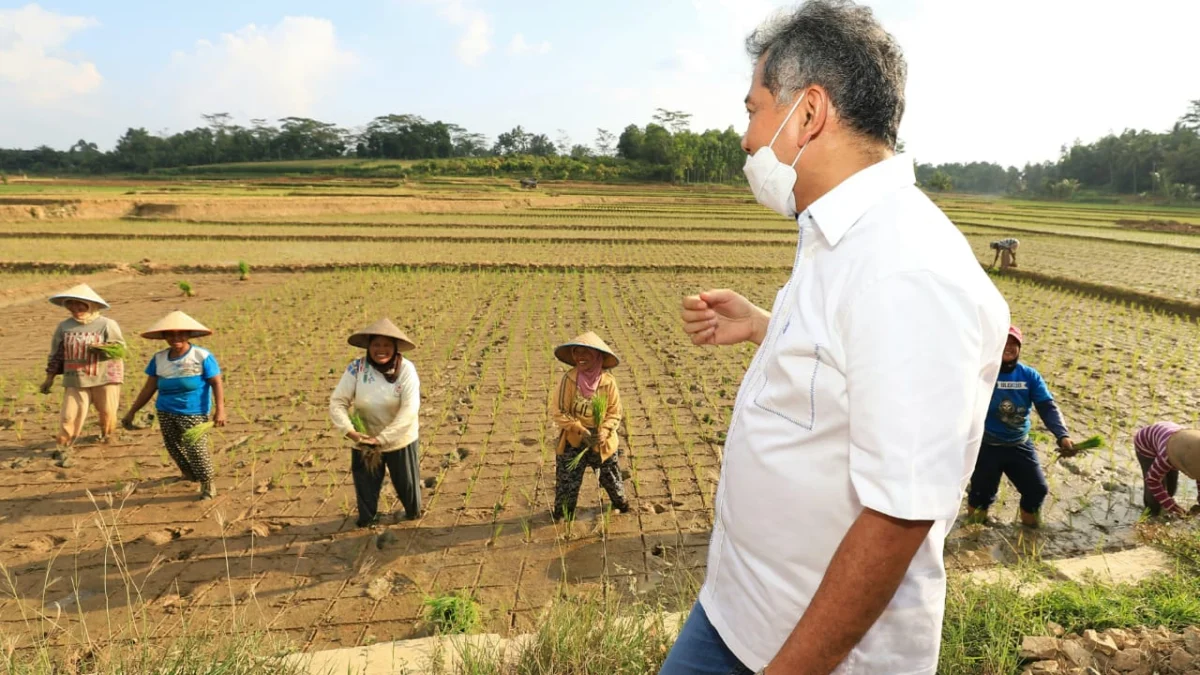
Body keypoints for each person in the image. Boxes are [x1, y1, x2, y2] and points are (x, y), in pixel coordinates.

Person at [664, 2, 1010, 674]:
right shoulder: (835, 234)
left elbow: (897, 518)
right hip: (739, 611)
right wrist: (767, 327)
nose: (746, 136)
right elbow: (852, 367)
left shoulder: (907, 267)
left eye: (755, 107)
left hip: (808, 652)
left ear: (809, 112)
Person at [964, 326, 1075, 528]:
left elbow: (1046, 406)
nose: (1008, 347)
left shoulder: (1029, 376)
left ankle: (1029, 533)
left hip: (1018, 444)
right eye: (1004, 343)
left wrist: (1062, 435)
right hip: (987, 445)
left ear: (1019, 347)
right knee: (981, 494)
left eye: (1013, 343)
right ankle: (972, 536)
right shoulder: (984, 374)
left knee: (1037, 489)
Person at [122, 311, 226, 500]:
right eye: (170, 334)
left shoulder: (201, 356)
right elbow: (149, 387)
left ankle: (207, 483)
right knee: (173, 446)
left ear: (188, 335)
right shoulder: (159, 358)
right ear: (164, 337)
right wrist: (132, 411)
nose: (175, 338)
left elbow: (216, 382)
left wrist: (220, 410)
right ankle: (190, 474)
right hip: (165, 410)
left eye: (180, 334)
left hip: (193, 411)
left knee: (196, 448)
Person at [330, 318, 422, 528]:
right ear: (369, 346)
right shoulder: (356, 369)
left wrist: (382, 438)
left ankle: (412, 516)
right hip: (363, 439)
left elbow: (409, 410)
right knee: (366, 490)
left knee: (408, 491)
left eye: (387, 345)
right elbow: (338, 402)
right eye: (376, 345)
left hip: (399, 440)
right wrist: (350, 432)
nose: (381, 350)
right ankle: (368, 520)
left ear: (395, 348)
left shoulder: (406, 370)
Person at [40, 283, 126, 464]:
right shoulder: (64, 327)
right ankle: (63, 446)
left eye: (80, 304)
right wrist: (49, 378)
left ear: (92, 305)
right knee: (69, 415)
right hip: (75, 378)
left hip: (105, 377)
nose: (75, 308)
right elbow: (56, 354)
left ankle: (107, 436)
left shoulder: (106, 324)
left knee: (107, 412)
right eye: (71, 304)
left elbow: (120, 349)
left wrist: (103, 349)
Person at [548, 331, 628, 520]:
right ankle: (563, 517)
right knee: (566, 483)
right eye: (577, 352)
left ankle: (622, 507)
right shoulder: (569, 379)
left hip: (602, 440)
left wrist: (605, 430)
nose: (580, 357)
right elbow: (559, 411)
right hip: (574, 438)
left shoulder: (608, 383)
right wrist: (580, 429)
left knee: (612, 480)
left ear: (597, 356)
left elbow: (615, 412)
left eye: (586, 353)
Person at [1133, 422, 1200, 517]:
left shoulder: (1195, 452)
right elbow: (1152, 480)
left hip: (1169, 438)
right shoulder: (1166, 457)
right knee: (1154, 496)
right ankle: (1152, 513)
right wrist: (1171, 506)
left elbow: (1198, 475)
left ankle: (1163, 508)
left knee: (1171, 488)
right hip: (1145, 445)